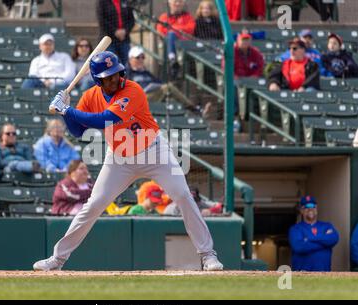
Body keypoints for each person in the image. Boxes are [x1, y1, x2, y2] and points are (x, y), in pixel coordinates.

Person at [33, 51, 223, 271]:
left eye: (116, 74)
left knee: (182, 195)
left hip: (154, 152)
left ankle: (208, 254)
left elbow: (106, 119)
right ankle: (57, 259)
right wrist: (66, 114)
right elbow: (77, 131)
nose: (115, 79)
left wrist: (67, 109)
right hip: (119, 158)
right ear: (97, 80)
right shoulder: (90, 97)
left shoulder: (132, 90)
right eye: (108, 77)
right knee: (93, 205)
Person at [126, 46, 196, 109]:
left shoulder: (147, 73)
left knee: (170, 96)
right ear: (130, 59)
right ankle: (191, 107)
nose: (141, 60)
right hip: (140, 99)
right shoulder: (128, 73)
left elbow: (159, 83)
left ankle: (185, 114)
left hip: (153, 95)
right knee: (168, 88)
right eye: (137, 58)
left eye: (142, 57)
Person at [289, 195, 339, 271]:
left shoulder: (327, 226)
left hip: (324, 275)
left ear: (317, 209)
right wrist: (324, 243)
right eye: (306, 207)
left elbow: (334, 239)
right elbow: (299, 247)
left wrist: (309, 239)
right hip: (302, 276)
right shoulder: (295, 229)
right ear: (301, 211)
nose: (310, 209)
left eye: (313, 206)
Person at [157, 0, 196, 79]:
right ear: (170, 3)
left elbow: (191, 28)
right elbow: (160, 30)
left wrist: (173, 29)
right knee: (171, 35)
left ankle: (172, 59)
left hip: (184, 43)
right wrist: (179, 30)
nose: (177, 4)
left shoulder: (187, 16)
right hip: (167, 44)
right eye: (175, 1)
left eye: (180, 2)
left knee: (171, 33)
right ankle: (172, 61)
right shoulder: (164, 16)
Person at [96, 0, 135, 66]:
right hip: (109, 40)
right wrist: (115, 31)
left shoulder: (125, 1)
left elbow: (131, 20)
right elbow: (101, 20)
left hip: (124, 39)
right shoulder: (102, 2)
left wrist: (125, 31)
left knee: (127, 65)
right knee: (113, 64)